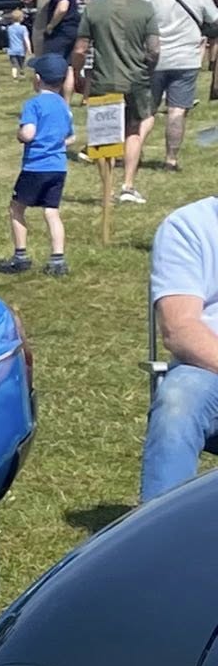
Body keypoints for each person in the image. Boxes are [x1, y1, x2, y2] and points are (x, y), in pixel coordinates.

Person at [142, 195, 218, 500]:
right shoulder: (190, 226)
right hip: (209, 367)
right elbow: (180, 329)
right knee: (179, 399)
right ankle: (161, 539)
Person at [75, 0, 161, 205]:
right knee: (133, 129)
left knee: (103, 135)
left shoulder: (94, 9)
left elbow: (80, 49)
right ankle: (128, 184)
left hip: (103, 79)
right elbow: (154, 49)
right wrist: (148, 68)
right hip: (135, 78)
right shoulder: (144, 9)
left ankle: (106, 190)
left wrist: (79, 74)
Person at [0, 53, 72, 278]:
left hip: (35, 167)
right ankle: (58, 258)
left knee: (16, 208)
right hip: (58, 166)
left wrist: (20, 134)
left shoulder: (33, 104)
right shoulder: (64, 107)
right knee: (52, 212)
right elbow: (70, 137)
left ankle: (20, 256)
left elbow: (28, 133)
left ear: (37, 79)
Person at [141, 0, 218, 171]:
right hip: (186, 59)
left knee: (147, 110)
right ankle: (171, 159)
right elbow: (214, 21)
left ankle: (134, 150)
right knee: (177, 110)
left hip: (154, 58)